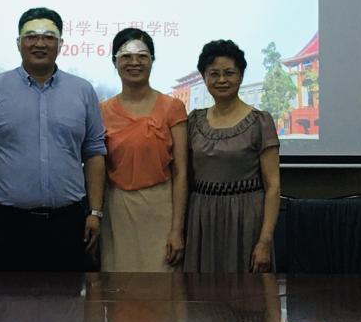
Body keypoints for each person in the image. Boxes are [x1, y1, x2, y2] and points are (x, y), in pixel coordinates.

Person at [0, 7, 107, 271]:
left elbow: (94, 152)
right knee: (7, 295)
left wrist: (95, 212)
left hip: (68, 221)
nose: (40, 43)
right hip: (7, 222)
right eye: (31, 36)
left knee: (66, 295)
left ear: (60, 44)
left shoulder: (83, 91)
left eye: (49, 37)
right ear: (18, 43)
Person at [184, 39, 281, 272]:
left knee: (247, 291)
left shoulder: (260, 121)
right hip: (202, 219)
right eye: (213, 74)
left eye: (229, 73)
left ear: (241, 76)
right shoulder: (193, 121)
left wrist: (265, 241)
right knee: (201, 290)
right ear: (204, 77)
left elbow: (273, 186)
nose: (221, 80)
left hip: (246, 219)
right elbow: (184, 177)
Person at [99, 28, 188, 271]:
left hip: (161, 209)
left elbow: (181, 172)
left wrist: (177, 229)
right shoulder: (101, 111)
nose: (134, 62)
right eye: (126, 56)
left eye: (142, 56)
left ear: (152, 60)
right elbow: (98, 170)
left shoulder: (172, 107)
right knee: (118, 284)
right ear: (114, 62)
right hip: (117, 210)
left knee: (161, 285)